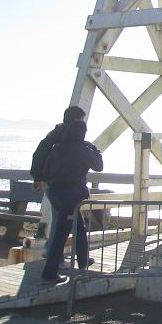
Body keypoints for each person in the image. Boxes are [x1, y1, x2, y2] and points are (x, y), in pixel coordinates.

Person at [40, 118, 103, 284]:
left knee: (78, 226)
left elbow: (46, 171)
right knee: (62, 233)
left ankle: (83, 261)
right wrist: (96, 150)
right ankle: (50, 272)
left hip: (55, 193)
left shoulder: (57, 148)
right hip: (71, 195)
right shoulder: (83, 150)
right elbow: (98, 166)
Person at [31, 106, 86, 251]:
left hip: (50, 182)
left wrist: (37, 178)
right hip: (63, 185)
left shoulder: (53, 134)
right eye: (81, 119)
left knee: (61, 220)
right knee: (62, 222)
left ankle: (77, 257)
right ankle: (52, 255)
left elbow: (38, 155)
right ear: (76, 119)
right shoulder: (70, 136)